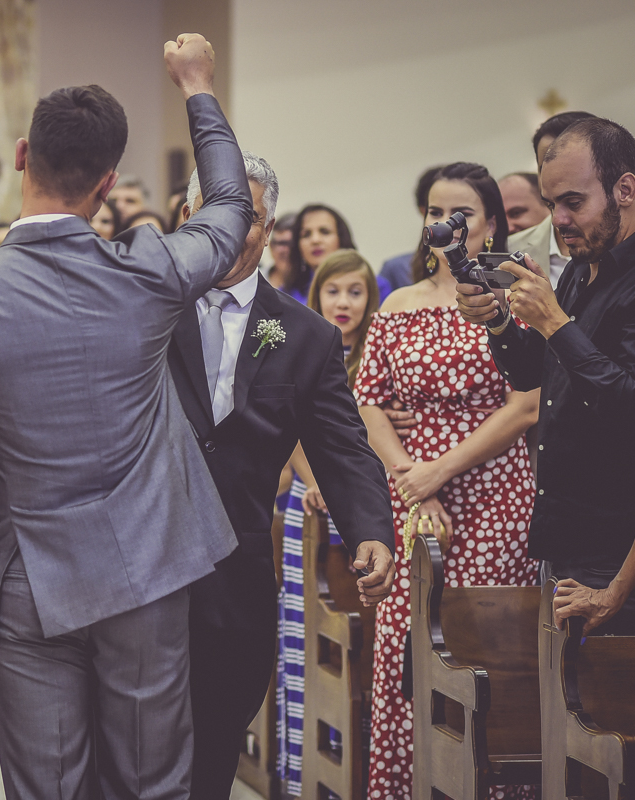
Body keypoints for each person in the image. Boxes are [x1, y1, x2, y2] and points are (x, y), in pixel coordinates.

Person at [0, 33, 252, 798]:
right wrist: (196, 86)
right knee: (152, 782)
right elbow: (227, 206)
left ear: (22, 155)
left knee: (45, 785)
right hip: (148, 568)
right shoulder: (151, 270)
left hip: (28, 578)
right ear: (109, 181)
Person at [170, 154, 395, 800]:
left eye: (251, 219)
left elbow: (342, 446)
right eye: (218, 213)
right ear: (188, 217)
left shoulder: (304, 336)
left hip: (233, 582)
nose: (233, 231)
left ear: (269, 233)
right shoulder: (145, 308)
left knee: (209, 757)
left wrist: (369, 530)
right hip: (139, 580)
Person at [357, 162, 540, 799]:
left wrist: (441, 469)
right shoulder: (398, 305)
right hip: (411, 496)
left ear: (490, 224)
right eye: (435, 212)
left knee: (481, 648)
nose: (443, 224)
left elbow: (526, 405)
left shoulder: (510, 301)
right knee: (407, 646)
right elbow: (369, 401)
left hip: (492, 493)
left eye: (459, 213)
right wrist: (413, 478)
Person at [458, 117, 635, 635]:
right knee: (561, 704)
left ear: (624, 189)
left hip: (619, 552)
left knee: (606, 712)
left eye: (573, 202)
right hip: (568, 536)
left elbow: (633, 405)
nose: (558, 220)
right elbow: (534, 374)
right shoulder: (585, 269)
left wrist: (555, 322)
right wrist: (498, 319)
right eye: (551, 203)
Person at [272, 249, 382, 795]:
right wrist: (314, 480)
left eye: (355, 292)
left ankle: (358, 763)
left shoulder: (376, 354)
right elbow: (289, 431)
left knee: (362, 642)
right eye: (334, 291)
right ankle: (302, 767)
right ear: (317, 296)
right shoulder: (303, 343)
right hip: (311, 507)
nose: (344, 302)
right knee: (305, 636)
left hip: (359, 512)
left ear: (370, 298)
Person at [508, 112, 598, 288]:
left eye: (571, 167)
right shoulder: (512, 247)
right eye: (547, 168)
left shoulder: (621, 243)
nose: (558, 179)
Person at [380, 166, 442, 291]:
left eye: (463, 212)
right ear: (424, 211)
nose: (449, 220)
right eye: (437, 212)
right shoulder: (396, 269)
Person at [262, 211, 295, 285]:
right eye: (282, 243)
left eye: (293, 244)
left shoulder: (313, 284)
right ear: (271, 246)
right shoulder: (253, 280)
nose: (287, 250)